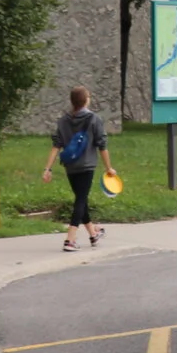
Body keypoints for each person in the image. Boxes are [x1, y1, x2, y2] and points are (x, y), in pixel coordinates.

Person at [42, 86, 111, 252]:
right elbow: (102, 145)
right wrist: (109, 168)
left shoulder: (63, 120)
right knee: (80, 200)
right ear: (86, 100)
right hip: (87, 166)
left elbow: (56, 145)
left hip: (70, 166)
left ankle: (93, 233)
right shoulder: (94, 119)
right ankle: (70, 239)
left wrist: (48, 168)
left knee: (82, 198)